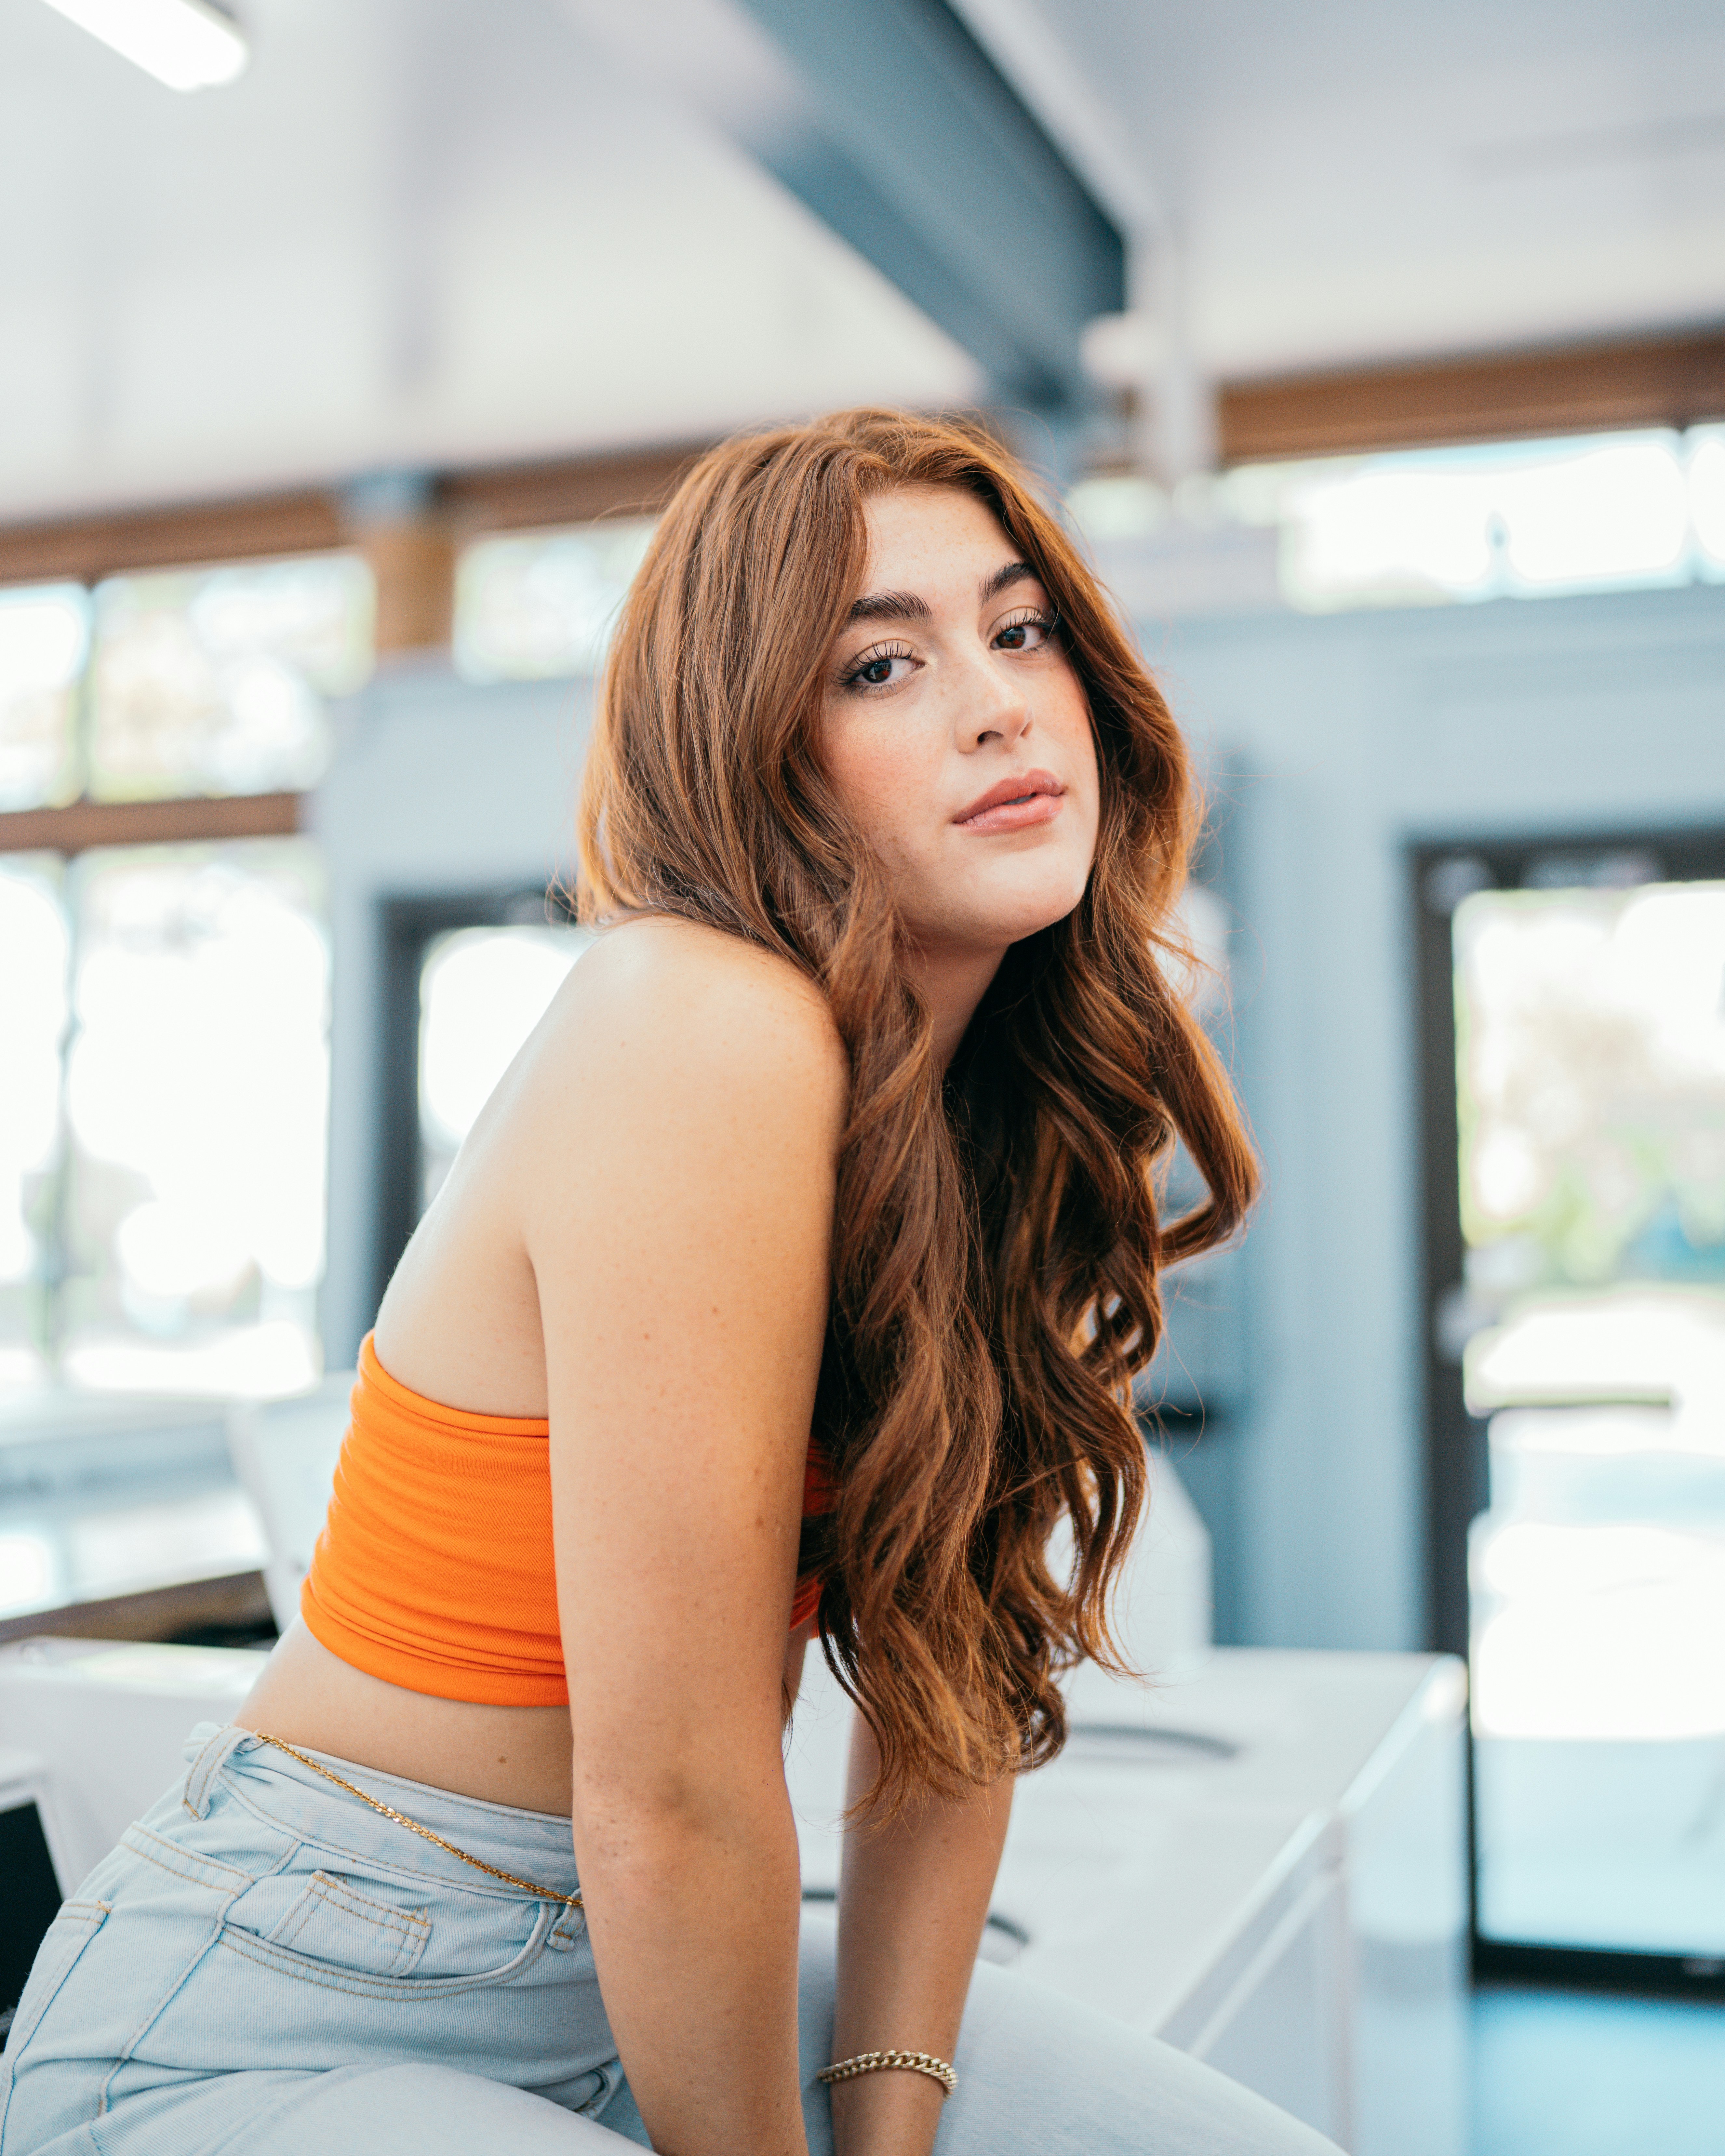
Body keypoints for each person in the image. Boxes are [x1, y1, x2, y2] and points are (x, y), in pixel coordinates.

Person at [1, 409, 1335, 2156]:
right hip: (270, 2022)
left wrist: (886, 2119)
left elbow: (949, 1715)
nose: (1001, 700)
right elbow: (671, 1796)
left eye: (1020, 629)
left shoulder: (971, 1128)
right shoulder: (700, 1018)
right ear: (754, 748)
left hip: (612, 1980)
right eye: (879, 663)